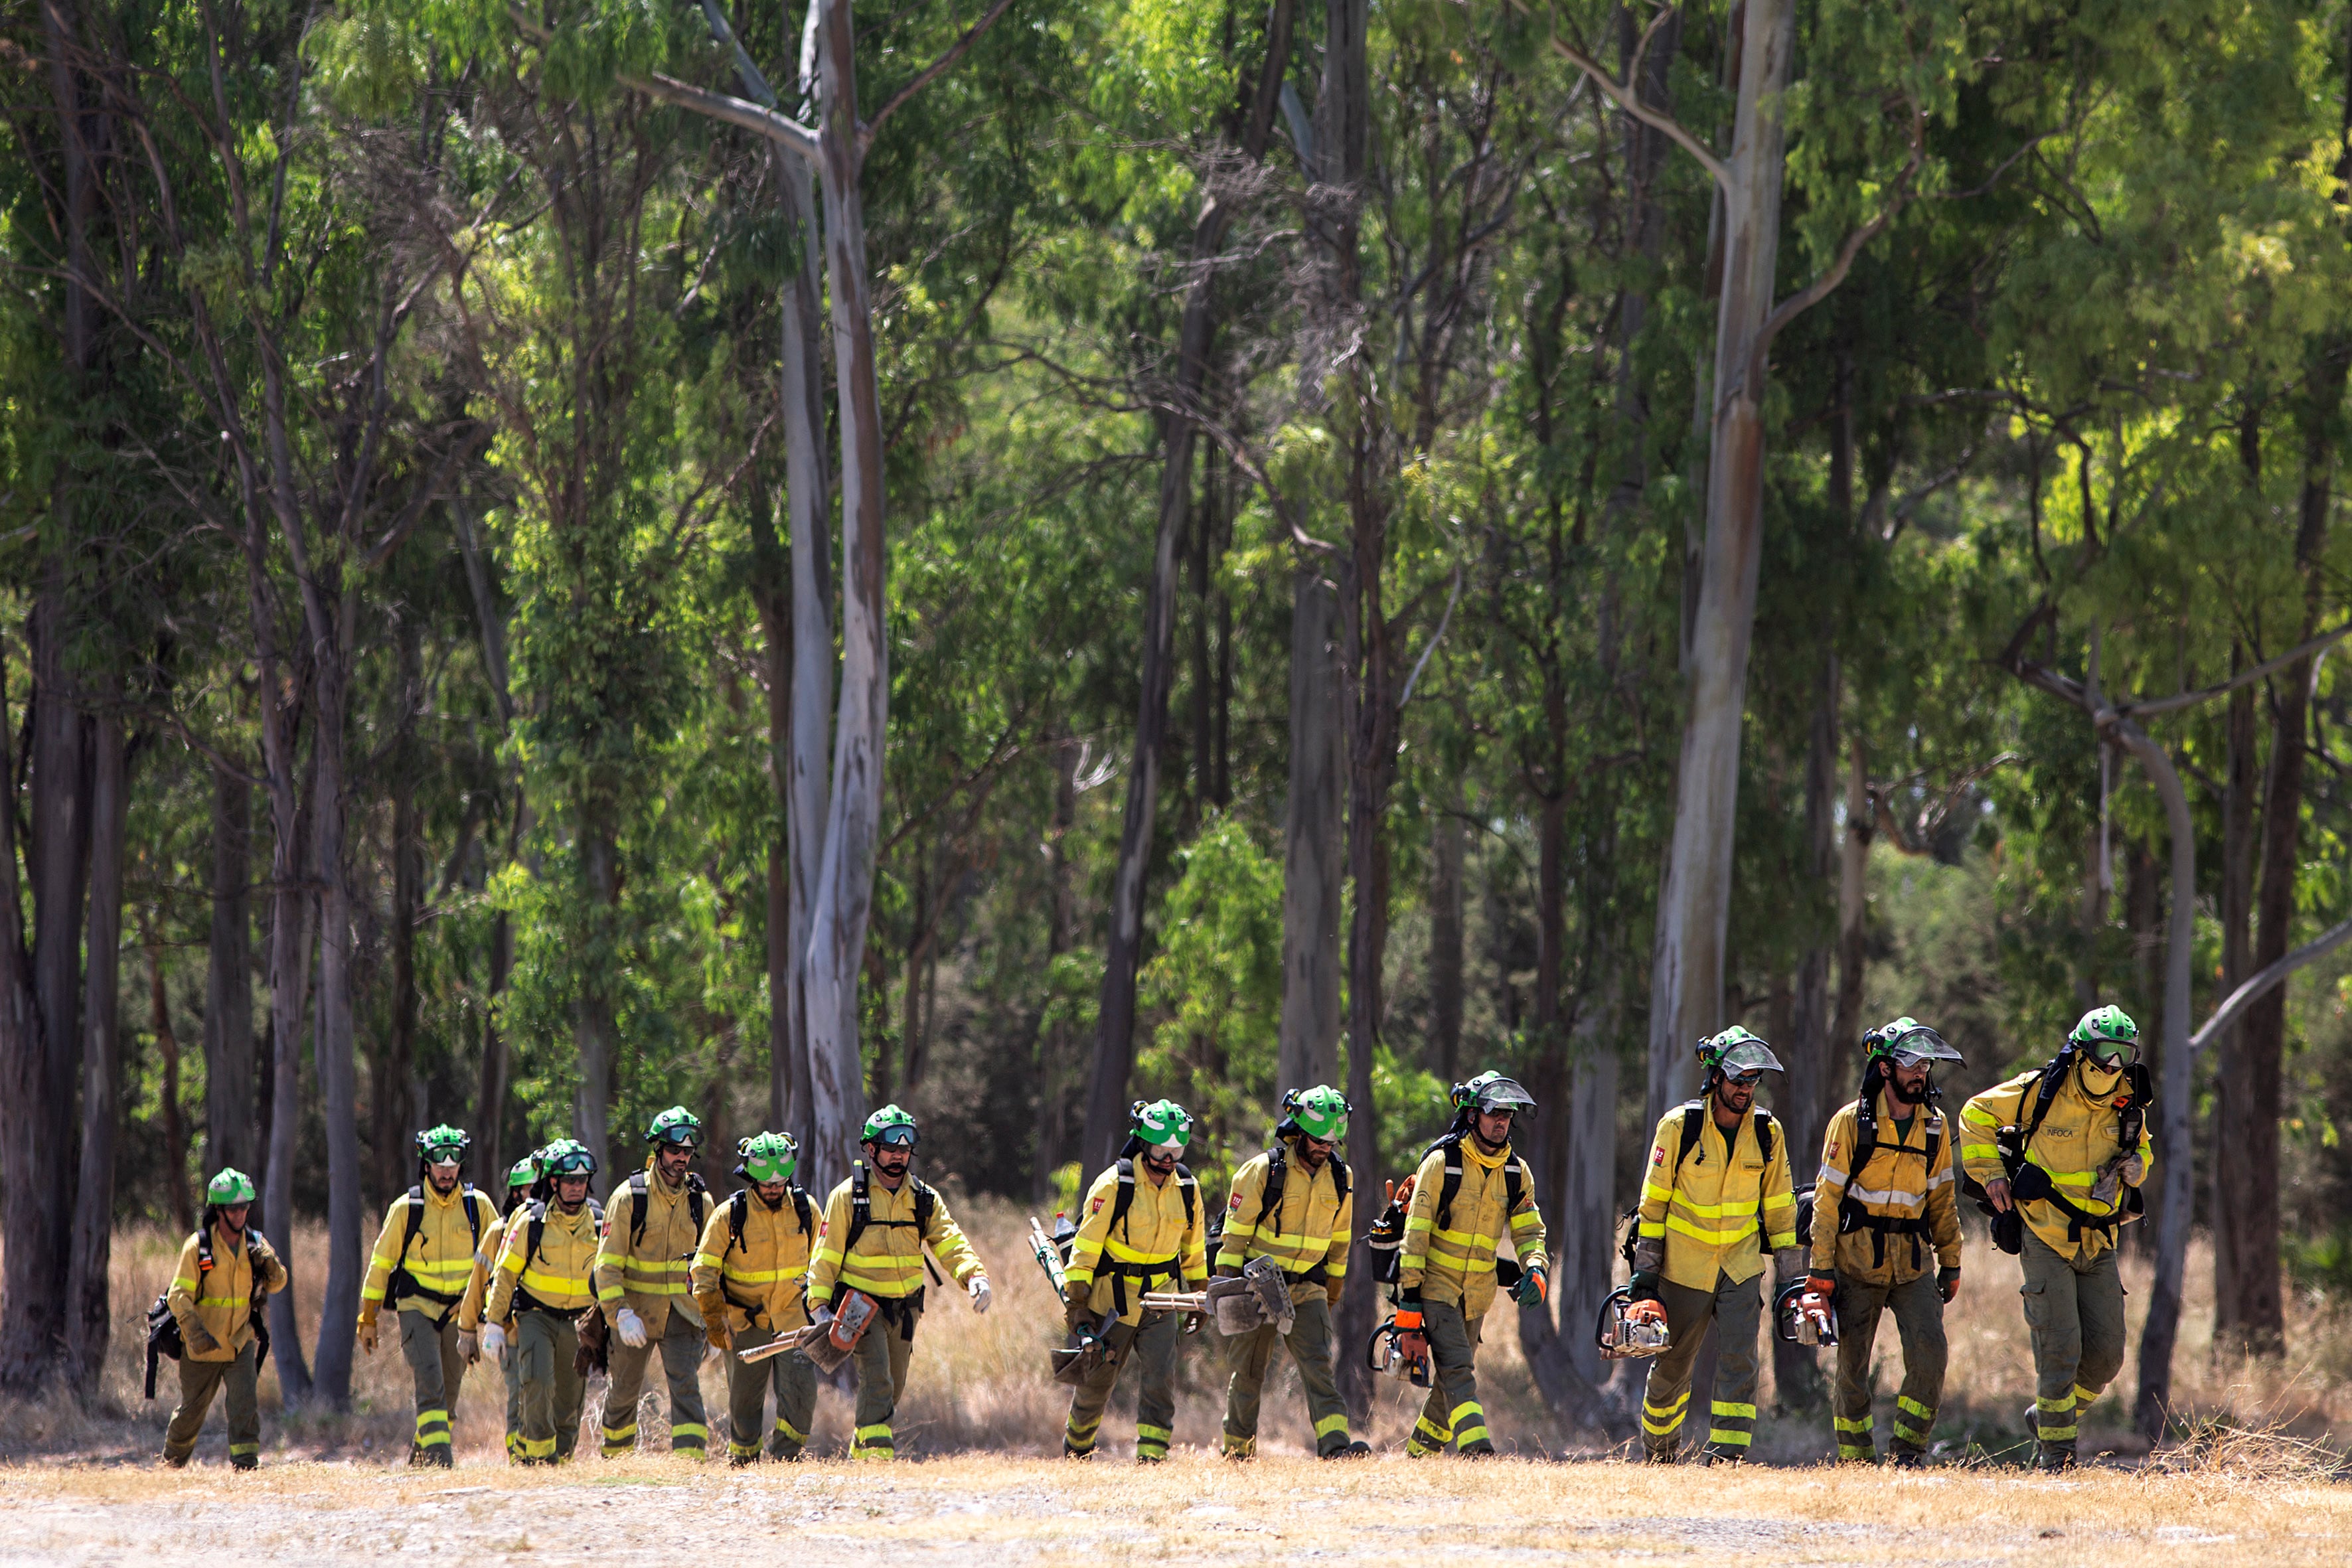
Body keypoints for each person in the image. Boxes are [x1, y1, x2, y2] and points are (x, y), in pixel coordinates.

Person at [1960, 1004, 2153, 1470]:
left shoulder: (2128, 1101)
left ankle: (2048, 1416)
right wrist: (1991, 1176)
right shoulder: (2040, 1090)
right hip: (2044, 1233)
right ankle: (2057, 1460)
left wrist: (2137, 1166)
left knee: (2107, 1354)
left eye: (2123, 1054)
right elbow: (1975, 1114)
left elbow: (2141, 1147)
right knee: (2060, 1347)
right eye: (2106, 1053)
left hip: (2100, 1239)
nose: (2113, 1065)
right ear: (2082, 1053)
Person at [1627, 1026, 1800, 1464]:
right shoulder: (1678, 1127)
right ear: (1715, 1078)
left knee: (1740, 1365)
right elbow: (1652, 1207)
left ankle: (1727, 1459)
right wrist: (1644, 1279)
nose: (1745, 1089)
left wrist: (1791, 1280)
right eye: (1737, 1079)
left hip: (1740, 1268)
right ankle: (1660, 1455)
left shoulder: (1767, 1132)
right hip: (1683, 1269)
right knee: (1671, 1368)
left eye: (1752, 1080)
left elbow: (1781, 1209)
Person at [1806, 1018, 1964, 1466]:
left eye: (1926, 1065)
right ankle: (1855, 1460)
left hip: (1913, 1265)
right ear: (1885, 1068)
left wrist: (1950, 1262)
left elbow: (1942, 1200)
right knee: (1852, 1369)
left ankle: (1907, 1453)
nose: (1920, 1073)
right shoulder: (1849, 1123)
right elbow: (1827, 1199)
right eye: (1911, 1064)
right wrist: (1819, 1270)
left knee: (1931, 1353)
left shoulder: (1934, 1127)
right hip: (1856, 1263)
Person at [806, 1104, 990, 1460]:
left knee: (892, 1389)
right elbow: (825, 1255)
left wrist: (974, 1276)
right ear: (872, 1149)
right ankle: (878, 1465)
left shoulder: (924, 1198)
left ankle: (860, 1454)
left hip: (905, 1310)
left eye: (905, 1150)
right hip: (860, 1308)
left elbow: (950, 1241)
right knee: (877, 1381)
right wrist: (819, 1307)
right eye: (890, 1148)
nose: (898, 1156)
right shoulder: (848, 1197)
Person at [1396, 1071, 1549, 1458]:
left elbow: (1530, 1232)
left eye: (1508, 1114)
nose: (1502, 1121)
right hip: (1434, 1288)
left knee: (1449, 1382)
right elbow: (1415, 1236)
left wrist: (1536, 1268)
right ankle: (1475, 1448)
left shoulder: (1516, 1173)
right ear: (1471, 1115)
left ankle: (1419, 1457)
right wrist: (1410, 1301)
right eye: (1493, 1112)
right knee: (1460, 1369)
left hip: (1476, 1296)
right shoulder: (1441, 1164)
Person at [1214, 1084, 1367, 1460]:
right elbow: (1233, 1239)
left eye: (1331, 1143)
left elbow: (1341, 1240)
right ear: (1298, 1131)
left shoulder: (1341, 1177)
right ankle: (1238, 1453)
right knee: (1249, 1372)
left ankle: (1335, 1448)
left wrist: (1332, 1289)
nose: (1323, 1149)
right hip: (1257, 1286)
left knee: (1318, 1368)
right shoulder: (1262, 1172)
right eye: (1317, 1140)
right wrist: (1229, 1289)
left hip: (1309, 1286)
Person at [1059, 1099, 1208, 1462]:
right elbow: (1087, 1246)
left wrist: (1201, 1294)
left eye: (1177, 1150)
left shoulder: (1187, 1188)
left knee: (1161, 1381)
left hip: (1162, 1301)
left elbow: (1194, 1248)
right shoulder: (1114, 1185)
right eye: (1161, 1149)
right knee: (1097, 1384)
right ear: (1143, 1144)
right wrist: (1078, 1305)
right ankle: (1077, 1449)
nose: (1169, 1159)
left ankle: (1153, 1459)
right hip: (1112, 1303)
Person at [357, 1124, 496, 1466]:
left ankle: (420, 1464)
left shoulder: (479, 1207)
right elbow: (380, 1264)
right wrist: (369, 1317)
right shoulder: (407, 1208)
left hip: (459, 1314)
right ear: (426, 1164)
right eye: (439, 1161)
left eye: (454, 1161)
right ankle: (440, 1465)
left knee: (448, 1397)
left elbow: (500, 1263)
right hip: (416, 1307)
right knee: (431, 1384)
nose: (447, 1169)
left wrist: (494, 1314)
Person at [692, 1132, 821, 1464]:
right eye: (766, 1183)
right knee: (744, 1403)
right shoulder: (729, 1215)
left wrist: (826, 1309)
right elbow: (704, 1269)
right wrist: (712, 1316)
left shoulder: (807, 1210)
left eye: (780, 1181)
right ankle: (744, 1463)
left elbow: (825, 1261)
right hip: (745, 1323)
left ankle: (786, 1460)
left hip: (795, 1321)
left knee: (801, 1394)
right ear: (751, 1177)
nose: (774, 1188)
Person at [593, 1106, 714, 1458]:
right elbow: (607, 1265)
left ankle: (690, 1464)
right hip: (636, 1315)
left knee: (687, 1389)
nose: (682, 1158)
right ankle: (615, 1460)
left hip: (683, 1315)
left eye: (688, 1152)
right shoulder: (629, 1198)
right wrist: (619, 1314)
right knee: (625, 1391)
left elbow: (710, 1267)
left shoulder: (700, 1201)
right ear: (658, 1150)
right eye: (675, 1150)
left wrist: (714, 1319)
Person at [483, 1139, 604, 1465]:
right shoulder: (531, 1221)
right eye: (570, 1181)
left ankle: (561, 1461)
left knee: (569, 1398)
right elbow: (505, 1274)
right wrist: (494, 1323)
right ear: (554, 1183)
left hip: (579, 1323)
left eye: (582, 1181)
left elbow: (612, 1272)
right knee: (537, 1381)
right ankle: (538, 1462)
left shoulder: (597, 1222)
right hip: (536, 1316)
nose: (577, 1188)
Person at [162, 1168, 287, 1468]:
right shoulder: (198, 1247)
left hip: (239, 1340)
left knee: (244, 1404)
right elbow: (178, 1296)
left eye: (245, 1206)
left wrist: (270, 1266)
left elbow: (278, 1283)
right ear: (218, 1210)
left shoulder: (255, 1243)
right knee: (192, 1413)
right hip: (202, 1345)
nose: (241, 1213)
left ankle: (245, 1464)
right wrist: (194, 1332)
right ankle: (171, 1464)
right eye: (234, 1208)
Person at [461, 1149, 544, 1462]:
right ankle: (518, 1458)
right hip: (511, 1334)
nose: (535, 1195)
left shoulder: (553, 1228)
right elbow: (478, 1280)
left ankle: (544, 1456)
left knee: (546, 1396)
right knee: (520, 1398)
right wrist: (468, 1331)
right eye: (529, 1190)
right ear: (515, 1193)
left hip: (549, 1329)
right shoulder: (498, 1233)